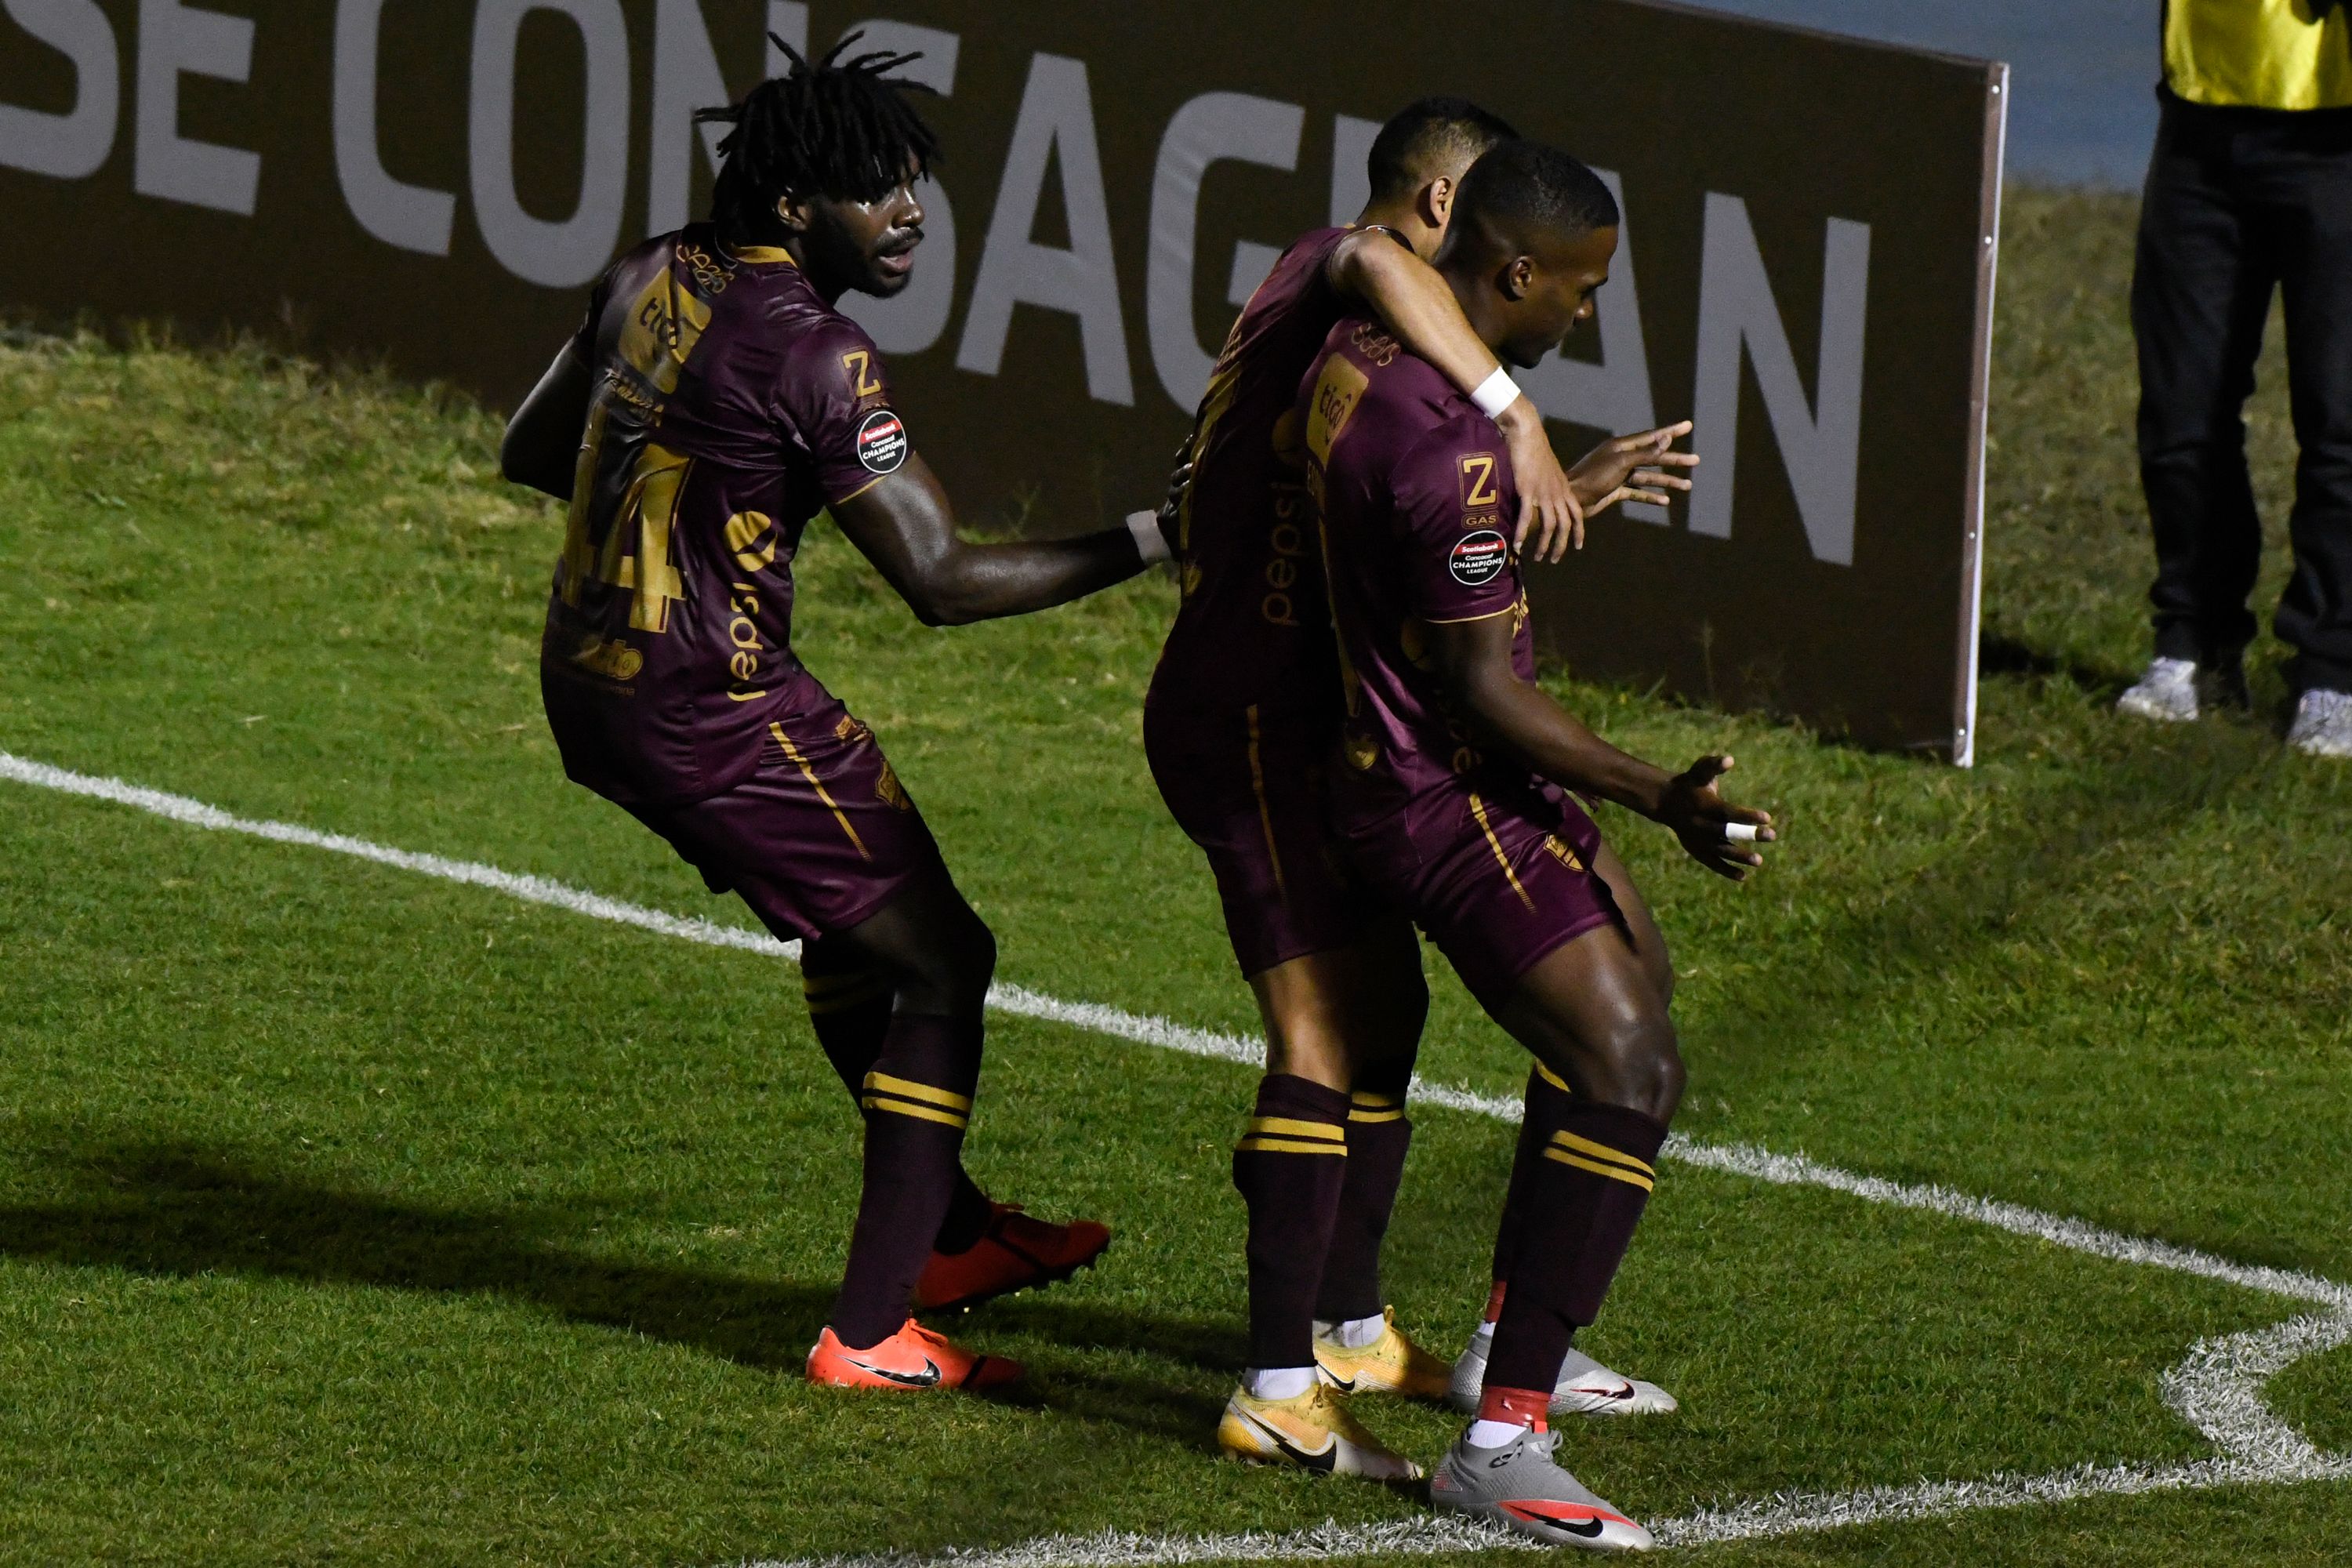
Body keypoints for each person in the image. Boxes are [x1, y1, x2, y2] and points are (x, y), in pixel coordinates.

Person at [499, 37, 1175, 1393]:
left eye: (916, 183)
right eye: (879, 191)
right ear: (798, 209)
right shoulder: (821, 354)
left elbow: (529, 450)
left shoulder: (649, 267)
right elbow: (943, 580)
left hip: (591, 678)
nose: (911, 212)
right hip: (716, 710)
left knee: (861, 933)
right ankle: (876, 1328)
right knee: (943, 962)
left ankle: (956, 1231)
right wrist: (1164, 536)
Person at [1144, 99, 1690, 1479]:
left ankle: (1352, 1330)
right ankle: (1280, 1383)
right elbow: (1385, 280)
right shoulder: (1350, 278)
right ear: (1450, 217)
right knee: (1323, 1032)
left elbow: (1409, 530)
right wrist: (1513, 417)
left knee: (1383, 1024)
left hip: (1312, 705)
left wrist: (1549, 475)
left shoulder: (1367, 357)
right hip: (1252, 716)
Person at [1300, 140, 1772, 1548]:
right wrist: (1658, 796)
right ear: (1514, 272)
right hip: (1439, 789)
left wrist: (1559, 479)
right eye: (1580, 287)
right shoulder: (1450, 446)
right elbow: (1484, 687)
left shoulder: (1366, 353)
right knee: (1631, 1061)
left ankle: (1523, 1331)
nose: (1586, 313)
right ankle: (1506, 1439)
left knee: (1633, 978)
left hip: (1388, 753)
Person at [2117, 0, 2352, 757]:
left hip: (2338, 137)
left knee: (2341, 424)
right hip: (2199, 121)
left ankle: (2334, 672)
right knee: (2182, 413)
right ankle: (2195, 647)